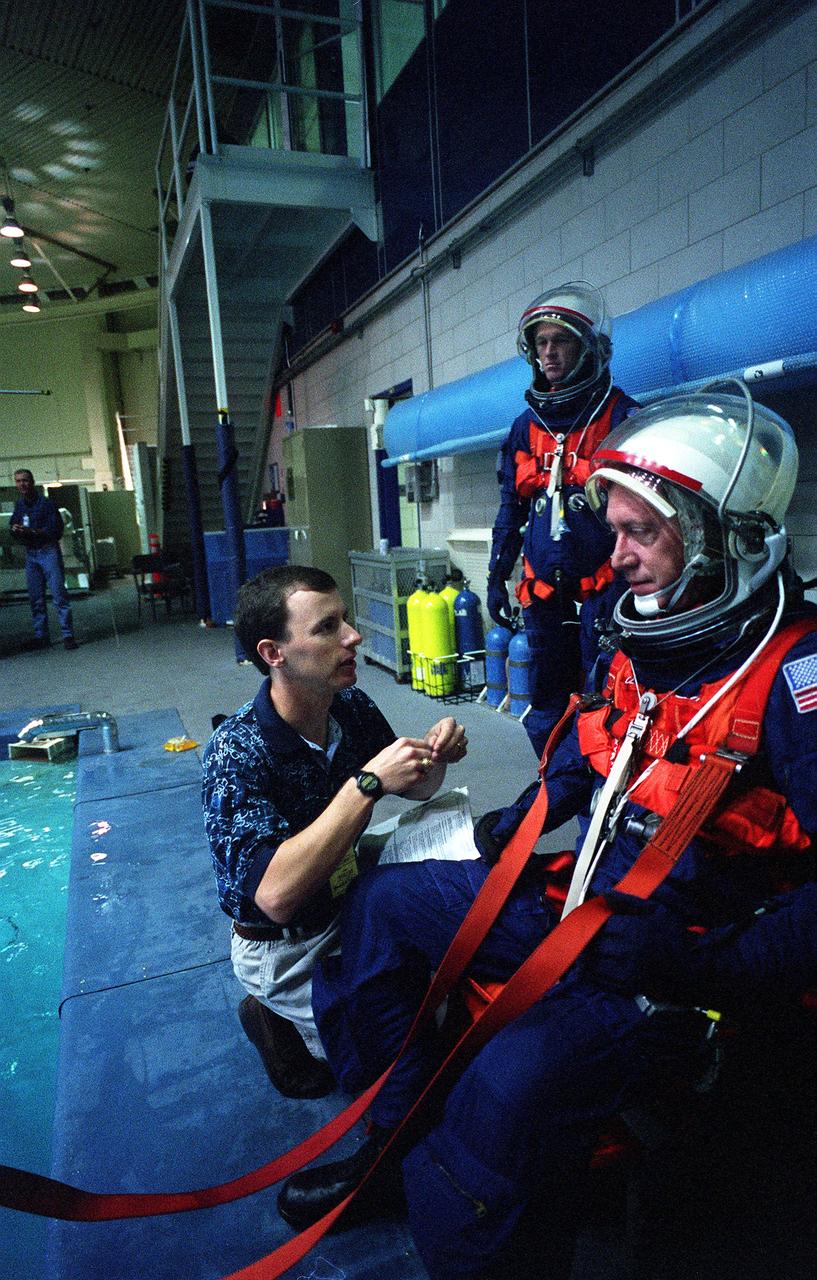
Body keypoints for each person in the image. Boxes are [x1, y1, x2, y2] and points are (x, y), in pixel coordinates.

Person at [278, 386, 817, 1278]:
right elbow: (592, 752)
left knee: (509, 1079)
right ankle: (388, 1142)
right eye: (614, 530)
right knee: (382, 907)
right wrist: (523, 817)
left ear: (721, 536)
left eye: (640, 533)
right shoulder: (636, 638)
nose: (618, 557)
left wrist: (709, 966)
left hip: (673, 962)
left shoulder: (794, 678)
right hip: (579, 898)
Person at [201, 565, 468, 1099]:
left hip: (347, 886)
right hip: (289, 942)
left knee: (457, 978)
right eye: (327, 628)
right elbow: (275, 897)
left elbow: (416, 789)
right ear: (273, 653)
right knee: (388, 1059)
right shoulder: (235, 754)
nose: (353, 637)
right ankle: (274, 1016)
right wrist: (366, 784)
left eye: (344, 620)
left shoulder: (348, 706)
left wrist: (434, 758)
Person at [487, 281, 638, 756]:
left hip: (606, 584)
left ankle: (597, 798)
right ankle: (555, 781)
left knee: (605, 695)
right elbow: (511, 508)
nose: (549, 353)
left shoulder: (621, 415)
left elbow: (648, 514)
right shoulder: (525, 427)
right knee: (548, 700)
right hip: (543, 588)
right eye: (541, 343)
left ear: (589, 347)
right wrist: (496, 574)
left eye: (561, 341)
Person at [9, 468, 77, 651]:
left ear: (32, 482)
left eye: (24, 480)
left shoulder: (46, 504)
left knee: (58, 594)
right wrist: (14, 529)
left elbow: (56, 530)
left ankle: (68, 635)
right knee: (36, 598)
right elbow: (13, 525)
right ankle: (42, 636)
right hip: (31, 554)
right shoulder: (20, 506)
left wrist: (31, 532)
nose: (21, 484)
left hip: (48, 552)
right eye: (18, 481)